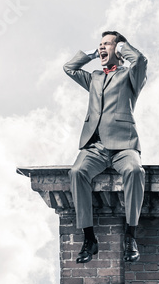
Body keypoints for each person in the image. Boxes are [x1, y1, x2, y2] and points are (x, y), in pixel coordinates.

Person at [63, 31, 147, 263]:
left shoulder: (131, 76)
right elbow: (69, 68)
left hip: (124, 146)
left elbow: (140, 60)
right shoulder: (95, 78)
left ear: (117, 50)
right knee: (77, 172)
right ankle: (89, 239)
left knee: (135, 171)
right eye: (100, 44)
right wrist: (92, 54)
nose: (102, 47)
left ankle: (130, 235)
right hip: (96, 146)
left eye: (106, 44)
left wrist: (122, 45)